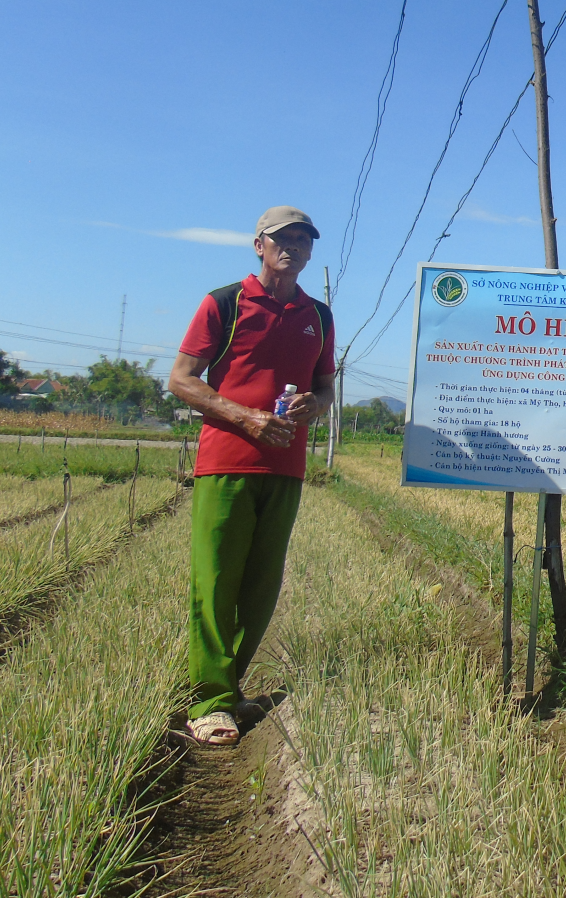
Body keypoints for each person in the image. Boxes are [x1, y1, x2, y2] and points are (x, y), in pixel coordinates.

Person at [168, 206, 335, 746]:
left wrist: (316, 405)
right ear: (258, 246)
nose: (292, 246)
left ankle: (226, 685)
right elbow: (182, 379)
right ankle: (210, 702)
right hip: (227, 460)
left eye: (302, 239)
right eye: (281, 238)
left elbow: (326, 388)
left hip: (286, 466)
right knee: (217, 578)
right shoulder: (225, 302)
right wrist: (244, 417)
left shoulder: (320, 315)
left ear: (311, 251)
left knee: (262, 586)